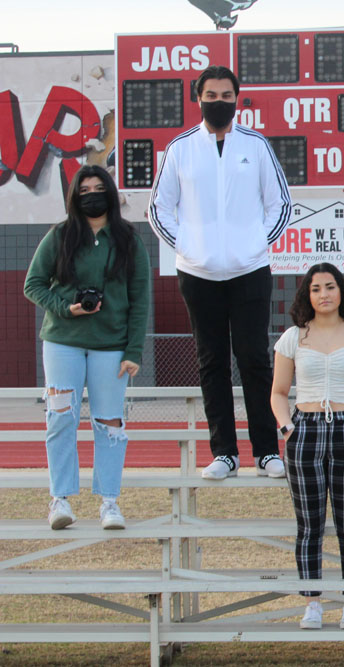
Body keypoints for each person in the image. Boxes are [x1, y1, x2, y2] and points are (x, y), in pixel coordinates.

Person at [149, 64, 292, 480]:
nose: (218, 102)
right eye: (210, 95)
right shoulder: (179, 148)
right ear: (198, 99)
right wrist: (192, 249)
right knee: (211, 361)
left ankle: (266, 451)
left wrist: (254, 246)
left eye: (225, 95)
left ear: (236, 98)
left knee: (254, 358)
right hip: (198, 273)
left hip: (250, 270)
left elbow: (279, 204)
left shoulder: (257, 145)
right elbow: (160, 209)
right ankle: (223, 453)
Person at [24, 165, 151, 530]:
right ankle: (59, 499)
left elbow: (139, 298)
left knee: (110, 423)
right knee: (60, 416)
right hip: (62, 342)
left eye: (98, 188)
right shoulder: (60, 236)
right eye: (84, 190)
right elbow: (33, 285)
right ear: (74, 196)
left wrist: (133, 351)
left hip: (111, 347)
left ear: (110, 192)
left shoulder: (129, 239)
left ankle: (109, 501)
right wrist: (66, 307)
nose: (91, 194)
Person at [270, 263, 344, 630]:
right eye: (316, 288)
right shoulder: (293, 337)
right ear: (308, 294)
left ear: (342, 292)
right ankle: (313, 602)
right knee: (309, 526)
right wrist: (288, 428)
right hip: (305, 432)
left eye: (330, 287)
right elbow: (277, 392)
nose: (324, 294)